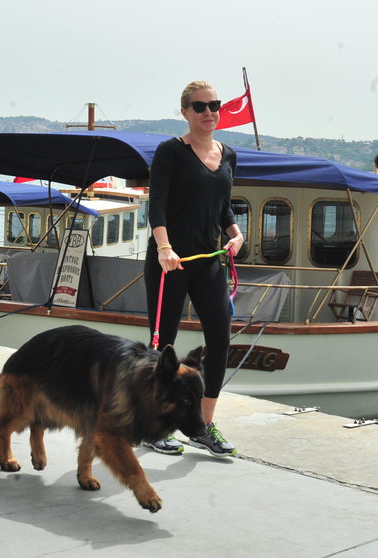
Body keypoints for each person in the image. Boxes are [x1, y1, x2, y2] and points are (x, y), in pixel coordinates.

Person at [143, 81, 244, 457]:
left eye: (214, 105)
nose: (209, 112)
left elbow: (223, 207)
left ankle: (203, 426)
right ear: (185, 111)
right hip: (170, 262)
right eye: (199, 106)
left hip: (209, 261)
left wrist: (236, 233)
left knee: (220, 341)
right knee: (163, 346)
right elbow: (157, 204)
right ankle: (155, 424)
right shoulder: (171, 151)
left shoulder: (228, 155)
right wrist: (164, 248)